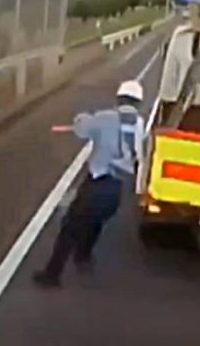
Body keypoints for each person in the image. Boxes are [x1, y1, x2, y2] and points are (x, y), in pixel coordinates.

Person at [33, 80, 145, 288]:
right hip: (118, 187)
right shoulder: (139, 124)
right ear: (138, 103)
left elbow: (82, 129)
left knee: (70, 227)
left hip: (98, 181)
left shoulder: (105, 117)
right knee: (96, 222)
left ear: (119, 98)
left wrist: (81, 118)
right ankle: (83, 258)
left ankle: (52, 275)